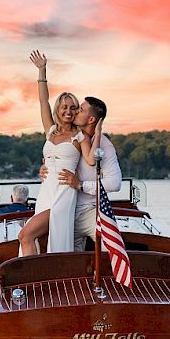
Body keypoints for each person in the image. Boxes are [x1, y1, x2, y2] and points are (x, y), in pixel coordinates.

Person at [17, 51, 102, 256]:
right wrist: (41, 70)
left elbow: (91, 160)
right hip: (46, 190)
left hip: (64, 192)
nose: (69, 111)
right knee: (34, 237)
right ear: (59, 109)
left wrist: (98, 131)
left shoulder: (80, 136)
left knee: (25, 235)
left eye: (73, 108)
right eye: (64, 107)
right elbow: (43, 101)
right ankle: (36, 276)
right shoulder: (51, 130)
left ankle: (31, 279)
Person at [45, 97, 122, 251]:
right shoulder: (69, 135)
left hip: (88, 212)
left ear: (91, 119)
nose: (75, 111)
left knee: (112, 248)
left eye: (81, 109)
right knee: (62, 260)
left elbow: (115, 183)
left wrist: (81, 185)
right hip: (64, 210)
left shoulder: (105, 147)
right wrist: (45, 167)